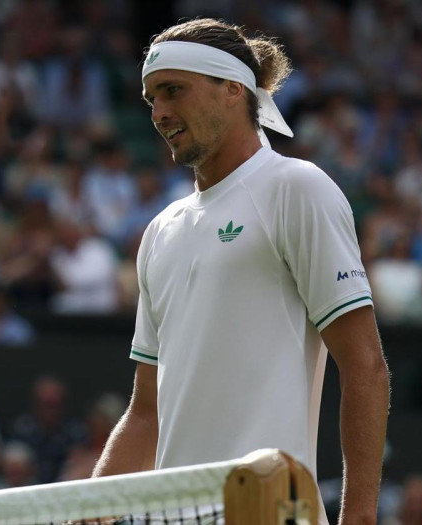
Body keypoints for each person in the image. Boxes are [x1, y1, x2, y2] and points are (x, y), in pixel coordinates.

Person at [91, 20, 389, 525]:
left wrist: (358, 517)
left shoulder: (297, 189)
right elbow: (146, 413)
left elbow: (364, 367)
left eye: (173, 91)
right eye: (151, 99)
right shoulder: (161, 231)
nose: (159, 113)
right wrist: (86, 508)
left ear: (232, 90)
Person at [11, 377, 85, 484]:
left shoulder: (74, 429)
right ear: (36, 404)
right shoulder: (23, 427)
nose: (49, 412)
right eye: (45, 405)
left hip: (64, 484)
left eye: (54, 405)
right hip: (29, 483)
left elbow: (80, 458)